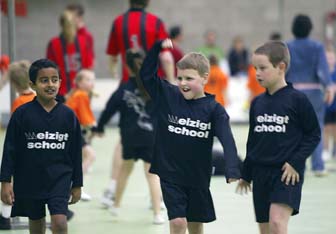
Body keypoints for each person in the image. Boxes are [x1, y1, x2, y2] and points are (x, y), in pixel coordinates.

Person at [140, 39, 241, 234]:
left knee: (195, 225)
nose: (183, 83)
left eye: (189, 78)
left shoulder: (214, 109)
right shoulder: (168, 95)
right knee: (178, 222)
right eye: (180, 78)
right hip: (170, 174)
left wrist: (232, 167)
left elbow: (227, 140)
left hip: (198, 177)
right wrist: (155, 48)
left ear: (204, 78)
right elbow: (146, 75)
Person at [237, 41, 321, 234]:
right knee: (265, 228)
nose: (257, 73)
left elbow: (313, 134)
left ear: (281, 67)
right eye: (255, 68)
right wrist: (246, 174)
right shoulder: (257, 103)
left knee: (277, 222)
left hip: (286, 173)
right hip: (260, 173)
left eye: (263, 68)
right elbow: (254, 141)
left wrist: (295, 161)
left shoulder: (298, 100)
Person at [102, 0, 174, 205]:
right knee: (157, 138)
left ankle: (112, 189)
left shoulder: (118, 22)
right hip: (152, 87)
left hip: (129, 84)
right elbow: (167, 56)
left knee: (124, 140)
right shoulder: (156, 22)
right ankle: (157, 198)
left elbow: (113, 57)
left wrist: (116, 74)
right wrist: (171, 82)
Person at [0, 58, 83, 234]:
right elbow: (10, 149)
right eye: (44, 80)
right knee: (36, 222)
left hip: (60, 178)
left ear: (60, 82)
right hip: (30, 177)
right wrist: (5, 182)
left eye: (54, 80)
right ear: (33, 84)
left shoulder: (68, 116)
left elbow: (76, 153)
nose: (50, 84)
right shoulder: (21, 114)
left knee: (60, 222)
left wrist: (77, 183)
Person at [92, 49, 164, 224]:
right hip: (150, 137)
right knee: (152, 174)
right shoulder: (154, 87)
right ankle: (157, 213)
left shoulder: (123, 88)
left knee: (125, 169)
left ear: (127, 67)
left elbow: (108, 109)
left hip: (129, 137)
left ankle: (116, 206)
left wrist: (99, 127)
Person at [286, 14, 334, 176]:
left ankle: (295, 165)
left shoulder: (288, 46)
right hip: (313, 91)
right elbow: (323, 70)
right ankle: (318, 165)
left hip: (292, 91)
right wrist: (329, 87)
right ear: (310, 29)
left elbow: (283, 69)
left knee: (293, 129)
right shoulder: (317, 47)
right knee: (316, 128)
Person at [0, 60, 33, 230]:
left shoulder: (18, 103)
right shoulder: (37, 98)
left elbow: (15, 131)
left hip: (21, 151)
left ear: (13, 83)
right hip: (36, 148)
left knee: (10, 185)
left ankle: (4, 218)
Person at [47, 10, 93, 102]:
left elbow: (49, 71)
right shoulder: (84, 41)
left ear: (61, 25)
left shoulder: (53, 43)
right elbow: (89, 68)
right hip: (81, 92)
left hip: (61, 93)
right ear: (75, 24)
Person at [65, 69, 97, 201]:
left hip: (70, 130)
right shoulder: (81, 95)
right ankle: (75, 186)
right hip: (71, 131)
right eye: (88, 80)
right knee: (90, 155)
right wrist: (96, 127)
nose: (91, 83)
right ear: (78, 82)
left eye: (93, 80)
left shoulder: (79, 94)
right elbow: (86, 119)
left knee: (80, 158)